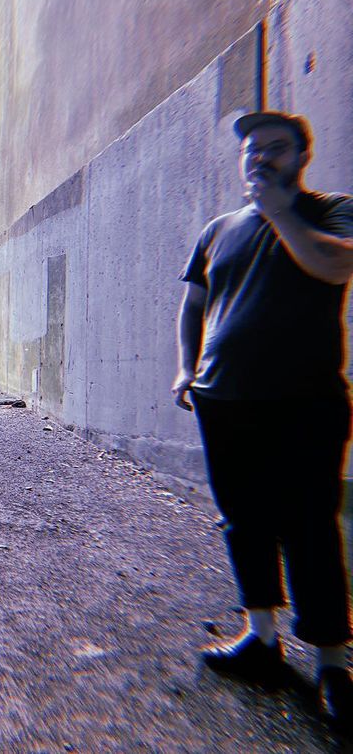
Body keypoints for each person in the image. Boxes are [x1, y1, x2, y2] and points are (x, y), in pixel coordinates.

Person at [173, 111, 353, 729]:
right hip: (224, 398)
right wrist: (187, 367)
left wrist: (279, 212)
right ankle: (261, 637)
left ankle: (332, 664)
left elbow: (335, 267)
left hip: (306, 399)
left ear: (302, 155)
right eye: (251, 149)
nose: (260, 157)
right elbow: (194, 303)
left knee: (310, 527)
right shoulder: (219, 228)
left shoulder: (333, 211)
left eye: (276, 147)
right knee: (243, 520)